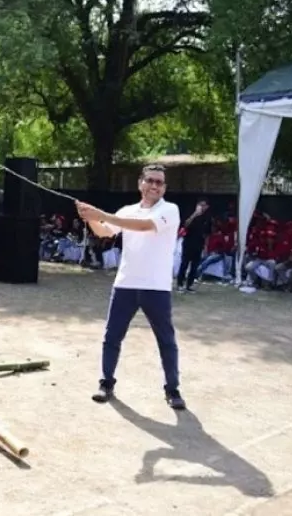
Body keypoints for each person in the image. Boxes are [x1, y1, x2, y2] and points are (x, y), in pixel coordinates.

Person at [75, 164, 185, 410]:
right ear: (140, 183)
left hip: (156, 287)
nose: (155, 186)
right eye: (150, 181)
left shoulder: (169, 209)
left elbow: (144, 226)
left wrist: (101, 212)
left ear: (164, 187)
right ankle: (106, 383)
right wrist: (91, 217)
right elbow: (104, 232)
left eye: (159, 182)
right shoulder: (128, 210)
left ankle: (172, 389)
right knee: (111, 336)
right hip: (125, 283)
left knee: (166, 340)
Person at [176, 199, 209, 292]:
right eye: (200, 205)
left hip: (199, 245)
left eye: (204, 205)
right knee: (184, 264)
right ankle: (180, 283)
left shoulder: (206, 218)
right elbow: (185, 225)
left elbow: (207, 233)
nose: (202, 207)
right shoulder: (191, 214)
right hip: (188, 243)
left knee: (194, 266)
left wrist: (206, 246)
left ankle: (189, 285)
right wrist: (194, 214)